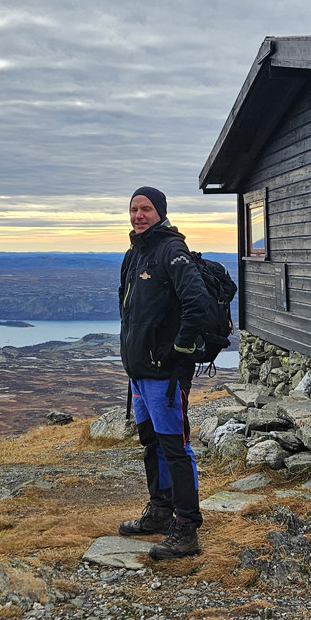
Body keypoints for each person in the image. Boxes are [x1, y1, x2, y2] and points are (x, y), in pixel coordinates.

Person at [117, 186, 214, 560]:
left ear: (160, 211)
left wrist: (180, 350)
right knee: (152, 442)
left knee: (175, 447)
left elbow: (197, 303)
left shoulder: (171, 250)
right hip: (139, 372)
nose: (138, 215)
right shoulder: (133, 255)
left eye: (146, 209)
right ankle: (159, 511)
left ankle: (186, 529)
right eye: (134, 209)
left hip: (165, 374)